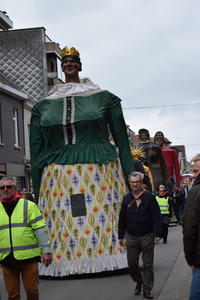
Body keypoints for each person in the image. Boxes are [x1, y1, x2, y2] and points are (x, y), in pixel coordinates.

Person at [30, 46, 135, 276]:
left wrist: (132, 177)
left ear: (80, 65)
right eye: (65, 61)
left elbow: (123, 144)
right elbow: (36, 151)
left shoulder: (103, 98)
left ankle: (112, 257)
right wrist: (37, 190)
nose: (69, 65)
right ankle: (62, 261)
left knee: (102, 212)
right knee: (64, 218)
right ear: (62, 66)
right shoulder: (43, 106)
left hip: (101, 171)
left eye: (73, 61)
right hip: (56, 178)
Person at [0, 177, 52, 300]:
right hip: (7, 257)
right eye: (2, 187)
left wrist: (46, 250)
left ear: (15, 188)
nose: (5, 190)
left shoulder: (28, 205)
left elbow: (39, 229)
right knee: (12, 294)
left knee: (31, 290)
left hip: (28, 256)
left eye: (9, 187)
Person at [118, 171, 162, 299]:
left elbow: (156, 216)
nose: (135, 184)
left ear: (141, 182)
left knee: (148, 263)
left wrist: (158, 233)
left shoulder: (149, 197)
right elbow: (122, 219)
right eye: (132, 182)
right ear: (129, 183)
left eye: (137, 182)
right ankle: (139, 281)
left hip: (147, 234)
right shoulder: (126, 198)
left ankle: (147, 289)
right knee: (132, 263)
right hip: (131, 235)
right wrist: (121, 236)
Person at [181, 154, 200, 300]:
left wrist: (191, 259)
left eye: (195, 171)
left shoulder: (196, 191)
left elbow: (189, 228)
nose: (193, 175)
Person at [138, 129, 171, 193]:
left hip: (154, 170)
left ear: (148, 136)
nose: (144, 137)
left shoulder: (155, 147)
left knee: (156, 188)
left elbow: (163, 163)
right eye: (142, 135)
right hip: (142, 170)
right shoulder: (136, 147)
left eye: (145, 135)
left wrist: (167, 179)